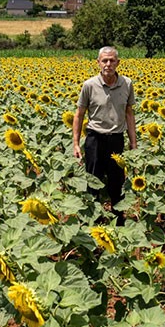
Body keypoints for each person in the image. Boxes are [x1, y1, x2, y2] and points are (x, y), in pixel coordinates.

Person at [72, 46, 137, 225]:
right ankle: (91, 222)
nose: (108, 64)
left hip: (116, 139)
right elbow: (79, 114)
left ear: (118, 62)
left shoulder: (127, 84)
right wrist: (76, 143)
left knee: (117, 183)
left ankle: (119, 221)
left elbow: (129, 113)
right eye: (104, 60)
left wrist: (133, 143)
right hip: (95, 139)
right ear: (98, 63)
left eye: (112, 60)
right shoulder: (89, 85)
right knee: (93, 180)